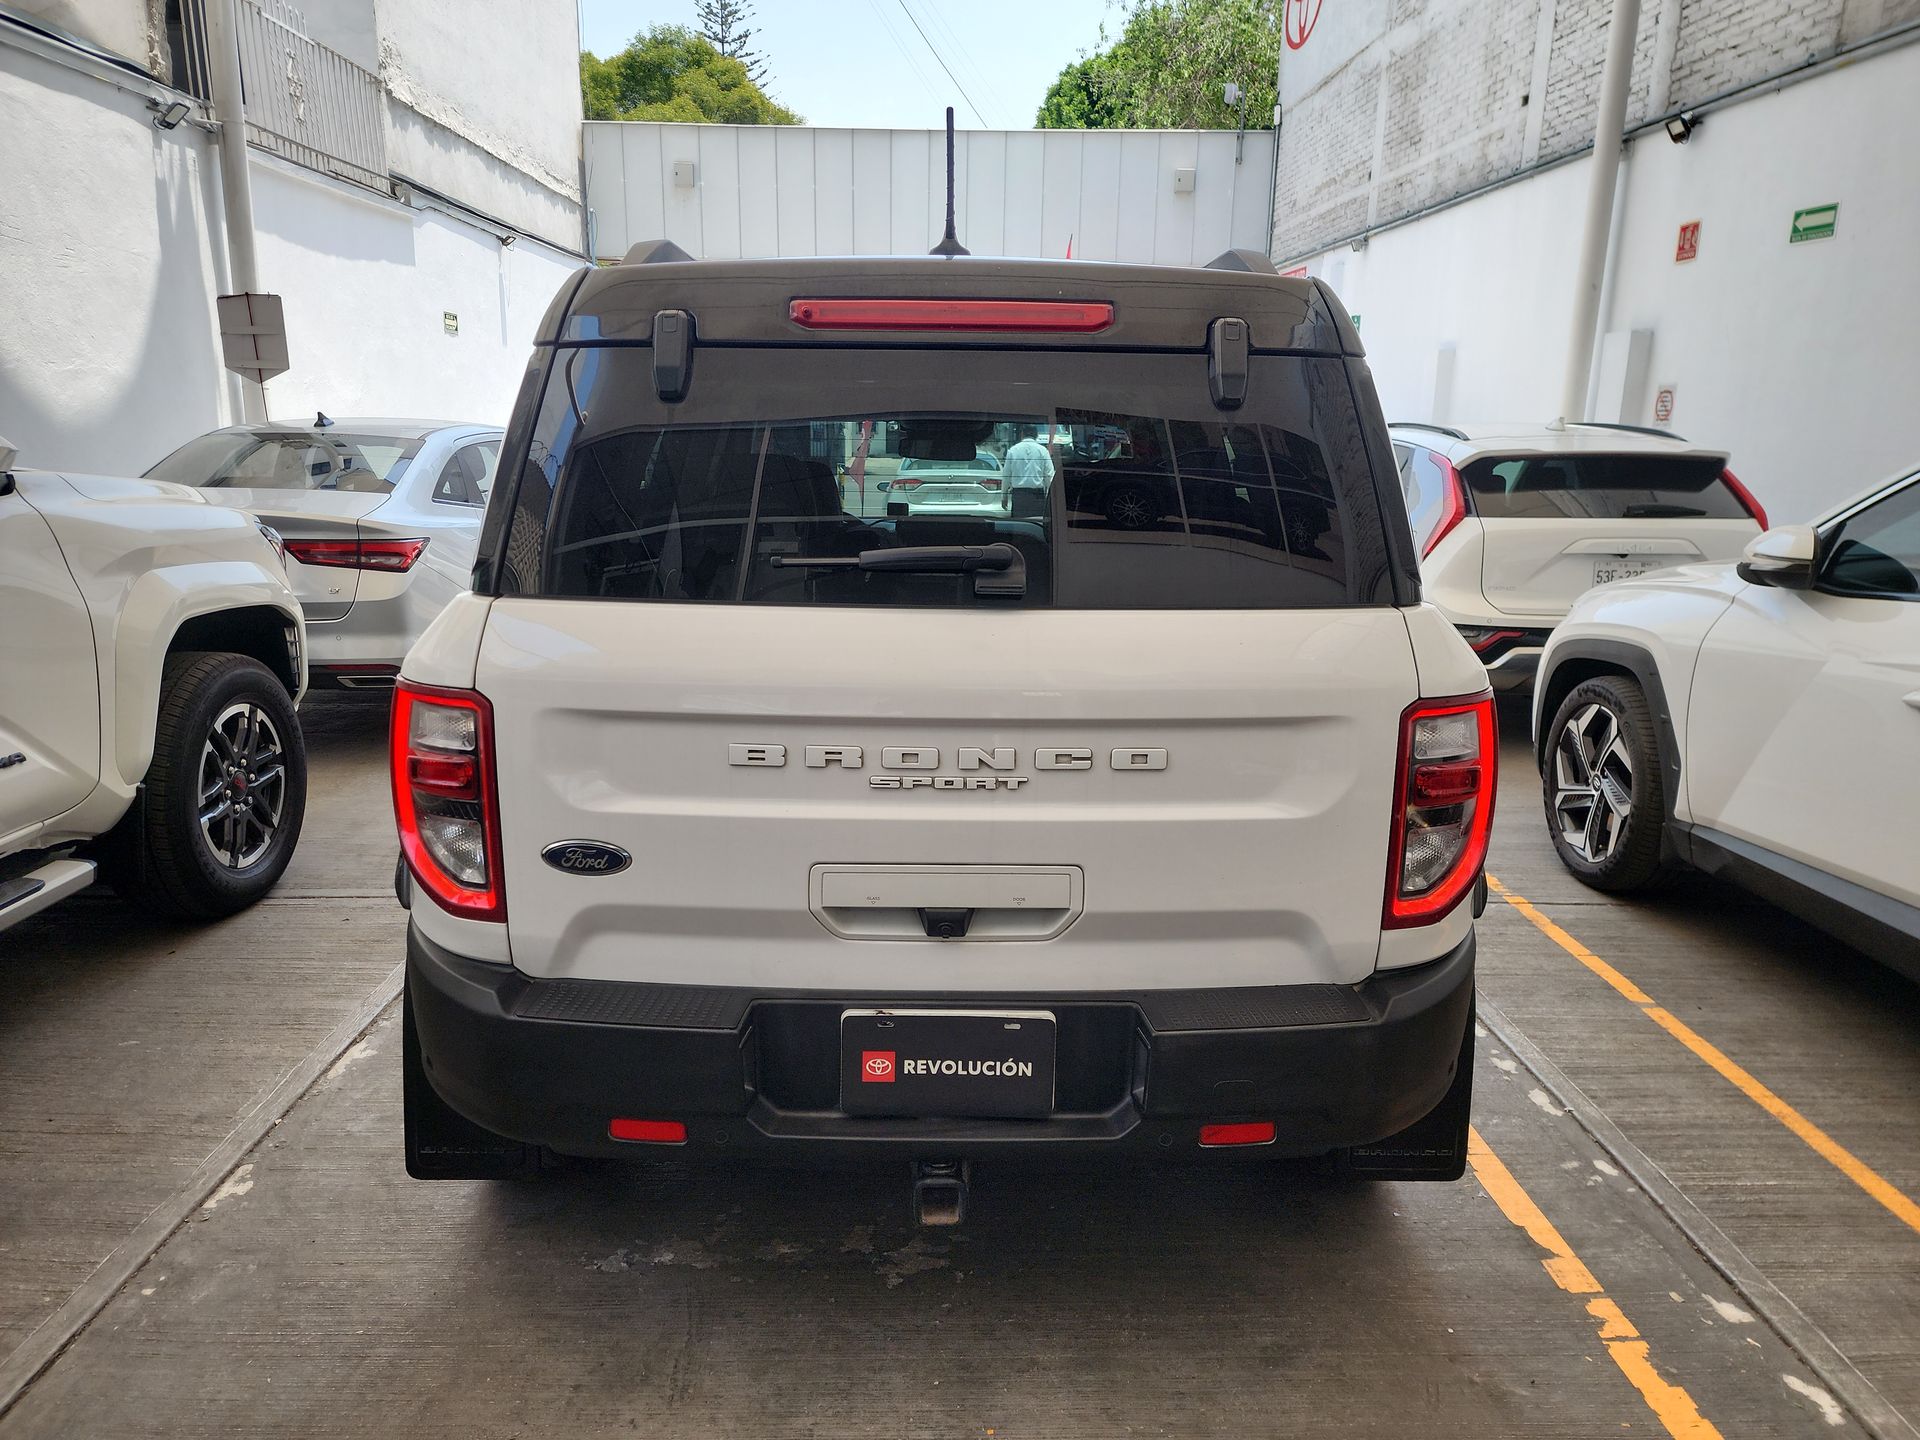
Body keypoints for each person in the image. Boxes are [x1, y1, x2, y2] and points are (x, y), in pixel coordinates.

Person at [1004, 424, 1054, 518]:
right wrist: (1050, 498)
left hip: (1019, 496)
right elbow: (1050, 476)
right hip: (1038, 496)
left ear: (1022, 434)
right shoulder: (1043, 451)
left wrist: (1004, 496)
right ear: (1037, 435)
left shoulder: (1013, 451)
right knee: (1037, 527)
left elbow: (1006, 475)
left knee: (1019, 528)